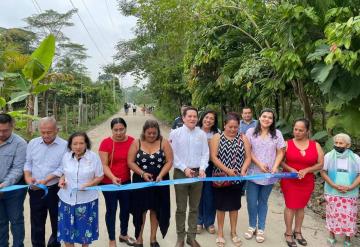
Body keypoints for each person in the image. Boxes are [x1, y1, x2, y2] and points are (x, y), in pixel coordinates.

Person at [128, 120, 173, 247]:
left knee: (156, 210)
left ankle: (153, 239)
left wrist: (161, 175)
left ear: (158, 132)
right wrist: (142, 173)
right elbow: (130, 162)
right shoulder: (136, 143)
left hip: (159, 181)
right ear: (144, 132)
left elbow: (169, 161)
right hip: (140, 182)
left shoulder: (163, 142)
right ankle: (139, 238)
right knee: (140, 211)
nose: (152, 135)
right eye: (149, 133)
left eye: (154, 133)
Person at [242, 108, 285, 243]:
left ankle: (261, 228)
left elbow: (280, 152)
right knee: (251, 202)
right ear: (259, 118)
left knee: (263, 201)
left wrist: (275, 166)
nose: (267, 119)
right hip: (253, 173)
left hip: (269, 175)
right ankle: (251, 226)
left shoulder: (277, 134)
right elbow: (248, 151)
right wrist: (259, 164)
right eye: (264, 116)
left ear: (273, 121)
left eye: (270, 117)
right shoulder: (250, 132)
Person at [24, 117, 67, 247]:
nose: (45, 135)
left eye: (49, 132)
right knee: (37, 223)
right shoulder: (33, 143)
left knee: (57, 221)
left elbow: (63, 168)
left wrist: (46, 180)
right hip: (35, 190)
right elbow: (28, 163)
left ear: (57, 130)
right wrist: (28, 178)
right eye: (42, 132)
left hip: (55, 189)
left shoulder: (65, 145)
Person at [280, 118, 324, 247]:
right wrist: (290, 168)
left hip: (307, 181)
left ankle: (298, 231)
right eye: (295, 129)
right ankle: (288, 233)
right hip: (289, 180)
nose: (297, 132)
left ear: (307, 131)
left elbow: (321, 164)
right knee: (290, 205)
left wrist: (307, 170)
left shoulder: (315, 145)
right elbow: (280, 160)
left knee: (300, 207)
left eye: (301, 130)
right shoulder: (287, 143)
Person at [169, 107, 209, 247]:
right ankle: (180, 237)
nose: (192, 119)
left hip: (198, 174)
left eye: (195, 116)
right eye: (189, 116)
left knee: (194, 207)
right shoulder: (175, 133)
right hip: (181, 173)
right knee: (181, 207)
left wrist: (203, 168)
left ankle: (191, 237)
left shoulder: (202, 134)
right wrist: (184, 168)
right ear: (183, 117)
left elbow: (205, 153)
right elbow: (172, 155)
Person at [210, 113, 251, 247]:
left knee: (234, 207)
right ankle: (220, 233)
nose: (233, 130)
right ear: (224, 125)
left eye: (236, 127)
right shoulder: (217, 137)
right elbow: (214, 157)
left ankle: (233, 232)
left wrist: (243, 170)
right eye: (230, 127)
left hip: (237, 179)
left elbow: (248, 157)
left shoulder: (243, 138)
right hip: (220, 178)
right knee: (220, 207)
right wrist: (227, 171)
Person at [57, 132, 104, 247]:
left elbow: (100, 176)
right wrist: (61, 180)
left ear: (86, 144)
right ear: (70, 145)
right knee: (67, 232)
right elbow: (64, 173)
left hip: (87, 201)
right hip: (67, 200)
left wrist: (88, 184)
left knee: (85, 233)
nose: (78, 147)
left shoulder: (93, 157)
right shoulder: (66, 157)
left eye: (81, 143)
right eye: (75, 144)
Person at [98, 118, 135, 247]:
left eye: (121, 129)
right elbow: (103, 165)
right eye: (116, 130)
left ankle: (123, 234)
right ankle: (112, 239)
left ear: (125, 128)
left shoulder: (132, 141)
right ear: (112, 130)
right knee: (111, 209)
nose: (119, 133)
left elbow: (135, 161)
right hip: (108, 182)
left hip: (126, 181)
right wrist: (113, 177)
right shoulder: (105, 143)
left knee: (125, 209)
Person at [320, 134, 360, 247]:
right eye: (336, 143)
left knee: (349, 215)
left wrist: (350, 187)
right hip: (332, 191)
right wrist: (333, 185)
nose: (337, 145)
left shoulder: (355, 158)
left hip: (350, 193)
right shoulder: (328, 156)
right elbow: (323, 172)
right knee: (332, 214)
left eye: (341, 143)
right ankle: (332, 235)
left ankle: (348, 238)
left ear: (348, 145)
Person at [0, 113, 27, 247]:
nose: (1, 134)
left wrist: (3, 185)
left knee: (16, 220)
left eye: (5, 130)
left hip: (13, 189)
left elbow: (18, 169)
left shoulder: (20, 143)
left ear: (12, 127)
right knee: (0, 221)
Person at [196, 110, 219, 235]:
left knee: (210, 195)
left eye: (212, 119)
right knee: (198, 194)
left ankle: (209, 222)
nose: (208, 120)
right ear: (202, 118)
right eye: (206, 117)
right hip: (196, 167)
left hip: (211, 167)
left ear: (214, 121)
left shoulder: (217, 133)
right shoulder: (195, 130)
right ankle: (198, 221)